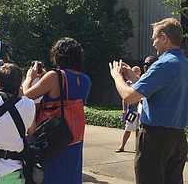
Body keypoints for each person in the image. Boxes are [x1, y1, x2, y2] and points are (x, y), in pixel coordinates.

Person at [109, 17, 188, 184]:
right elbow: (158, 90)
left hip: (155, 138)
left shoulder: (162, 65)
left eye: (154, 38)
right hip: (178, 139)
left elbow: (129, 96)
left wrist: (117, 77)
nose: (153, 43)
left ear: (164, 38)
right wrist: (131, 75)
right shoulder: (183, 64)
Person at [22, 37, 91, 184]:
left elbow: (25, 97)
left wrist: (30, 78)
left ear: (58, 56)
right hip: (74, 136)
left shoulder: (54, 76)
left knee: (52, 175)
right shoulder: (86, 80)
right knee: (70, 175)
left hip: (55, 136)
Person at [115, 66, 141, 153]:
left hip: (141, 111)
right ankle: (122, 146)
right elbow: (124, 97)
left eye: (136, 71)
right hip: (132, 111)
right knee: (128, 128)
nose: (135, 73)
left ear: (140, 72)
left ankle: (138, 147)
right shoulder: (128, 83)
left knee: (139, 130)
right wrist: (124, 110)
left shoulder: (142, 81)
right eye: (133, 71)